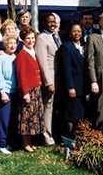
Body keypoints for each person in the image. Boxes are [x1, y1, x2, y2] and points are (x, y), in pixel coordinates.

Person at [15, 26, 45, 152]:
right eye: (28, 38)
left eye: (33, 38)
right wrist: (25, 92)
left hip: (36, 89)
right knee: (26, 118)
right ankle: (25, 143)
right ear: (23, 39)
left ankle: (31, 142)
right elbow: (21, 75)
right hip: (28, 90)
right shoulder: (22, 54)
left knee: (33, 117)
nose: (31, 40)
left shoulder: (33, 51)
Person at [56, 22, 87, 139]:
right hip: (72, 88)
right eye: (74, 31)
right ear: (70, 33)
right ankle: (67, 139)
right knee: (70, 115)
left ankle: (76, 138)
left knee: (79, 115)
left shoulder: (84, 46)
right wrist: (70, 87)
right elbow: (66, 69)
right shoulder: (66, 47)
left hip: (82, 87)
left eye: (79, 31)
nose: (77, 33)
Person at [35, 12, 60, 145]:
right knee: (47, 108)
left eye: (54, 21)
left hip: (59, 78)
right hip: (50, 79)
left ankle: (54, 132)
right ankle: (46, 136)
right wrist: (48, 82)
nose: (53, 24)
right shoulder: (42, 38)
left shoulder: (56, 36)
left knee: (54, 108)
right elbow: (43, 62)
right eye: (50, 22)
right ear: (44, 24)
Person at [0, 33, 19, 154]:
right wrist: (2, 92)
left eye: (14, 43)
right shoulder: (2, 58)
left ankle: (9, 143)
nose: (12, 45)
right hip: (5, 92)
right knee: (3, 120)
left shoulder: (16, 57)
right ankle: (1, 144)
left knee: (12, 120)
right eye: (10, 43)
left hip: (15, 92)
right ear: (5, 45)